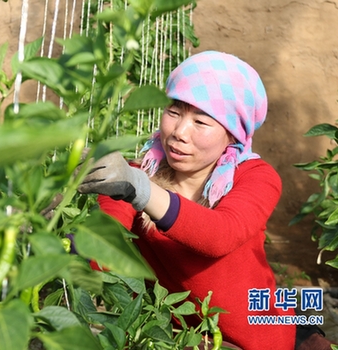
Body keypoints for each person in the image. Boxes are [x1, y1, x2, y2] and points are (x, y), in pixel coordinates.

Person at [78, 51, 335, 349]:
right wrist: (66, 239)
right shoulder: (136, 175)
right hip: (183, 337)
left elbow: (219, 235)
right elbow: (105, 247)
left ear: (232, 134)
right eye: (173, 112)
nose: (179, 133)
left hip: (257, 336)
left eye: (201, 122)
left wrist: (140, 190)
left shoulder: (254, 177)